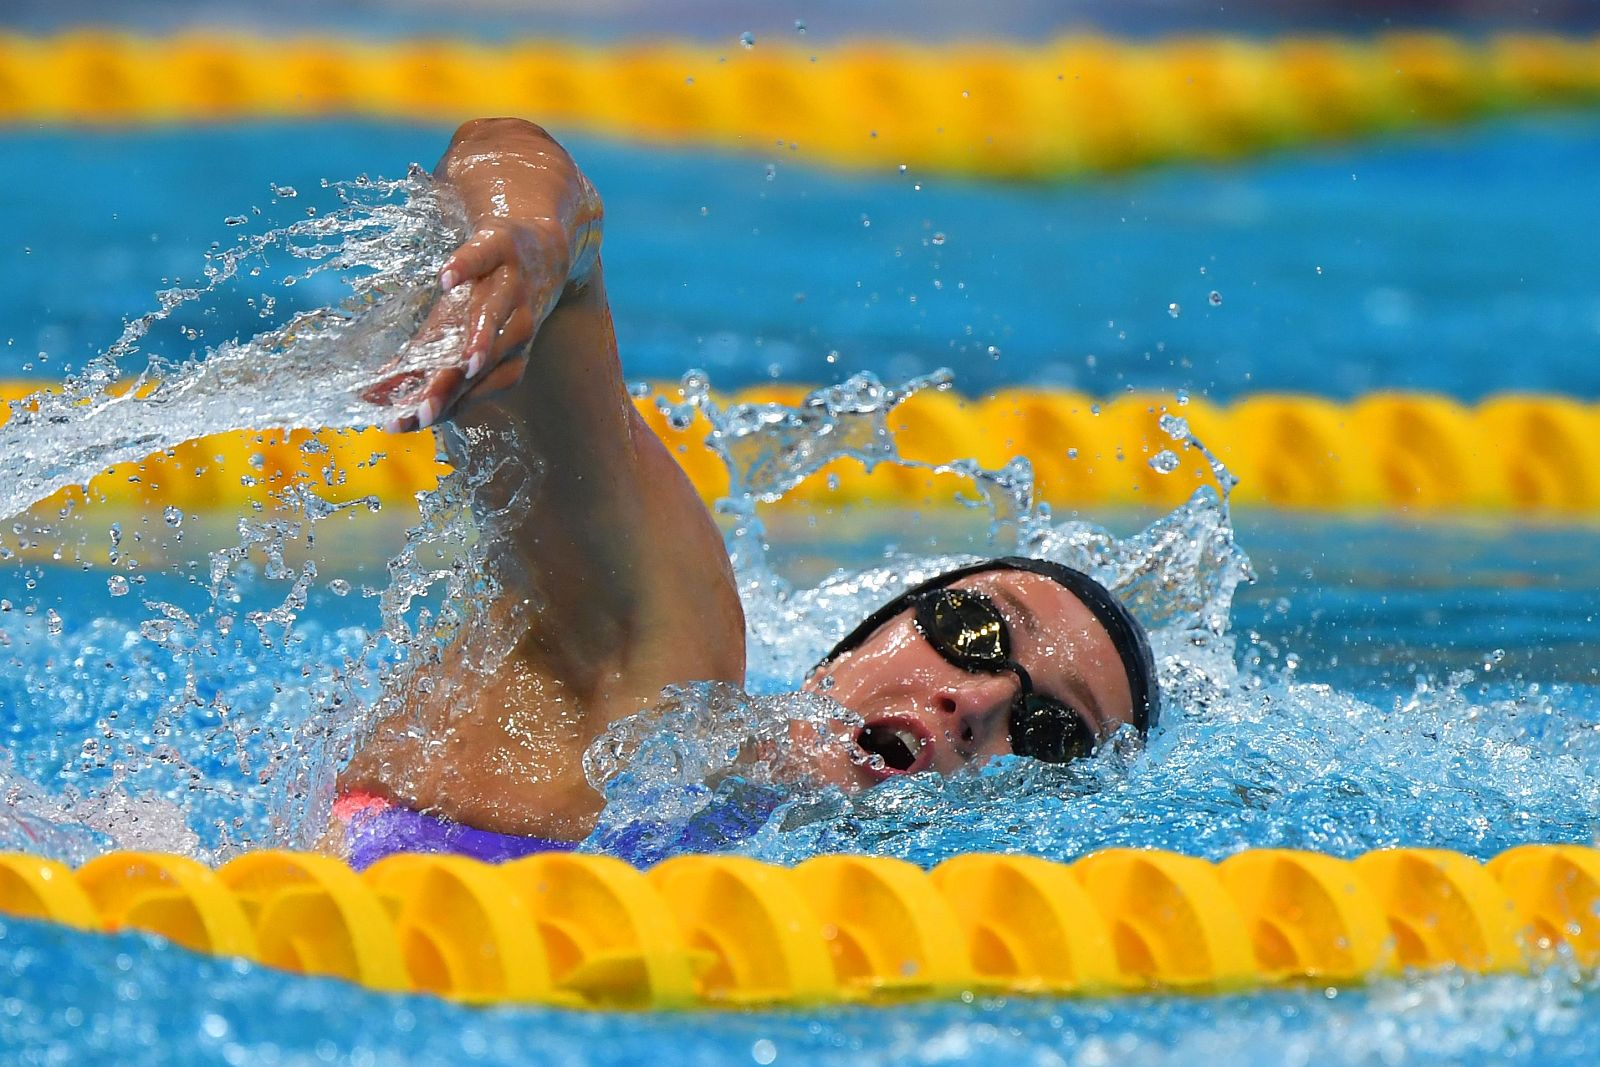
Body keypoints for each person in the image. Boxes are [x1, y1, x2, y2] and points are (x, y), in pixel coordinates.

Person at [334, 119, 1159, 865]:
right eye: (971, 628)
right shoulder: (646, 696)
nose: (974, 698)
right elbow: (534, 180)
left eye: (1051, 735)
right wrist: (522, 226)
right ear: (852, 647)